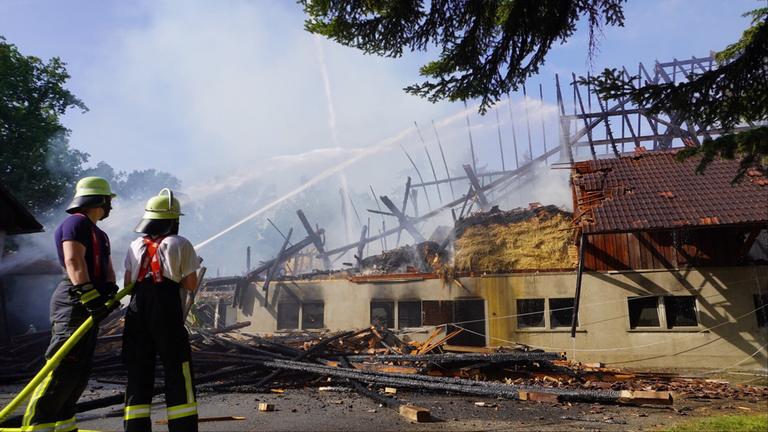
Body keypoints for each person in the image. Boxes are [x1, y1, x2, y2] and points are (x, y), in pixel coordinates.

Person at [23, 176, 119, 432]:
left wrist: (109, 291)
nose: (110, 206)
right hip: (73, 300)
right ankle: (37, 424)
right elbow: (74, 261)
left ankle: (64, 425)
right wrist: (88, 295)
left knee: (79, 370)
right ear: (99, 200)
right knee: (62, 364)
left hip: (89, 301)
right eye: (108, 201)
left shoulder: (100, 234)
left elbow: (108, 268)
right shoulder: (75, 224)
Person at [122, 188, 200, 432]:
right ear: (173, 220)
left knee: (138, 368)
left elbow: (128, 283)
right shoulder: (180, 243)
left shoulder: (135, 245)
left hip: (137, 310)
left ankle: (135, 428)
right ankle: (182, 427)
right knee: (177, 367)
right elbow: (190, 284)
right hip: (165, 309)